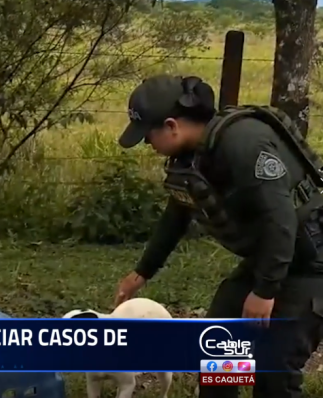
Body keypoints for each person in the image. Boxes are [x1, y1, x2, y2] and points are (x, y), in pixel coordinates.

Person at [112, 74, 323, 398]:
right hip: (273, 254)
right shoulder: (193, 157)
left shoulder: (243, 143)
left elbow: (281, 219)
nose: (148, 145)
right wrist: (142, 272)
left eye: (147, 136)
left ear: (172, 126)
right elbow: (177, 212)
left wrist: (264, 291)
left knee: (273, 371)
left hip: (312, 261)